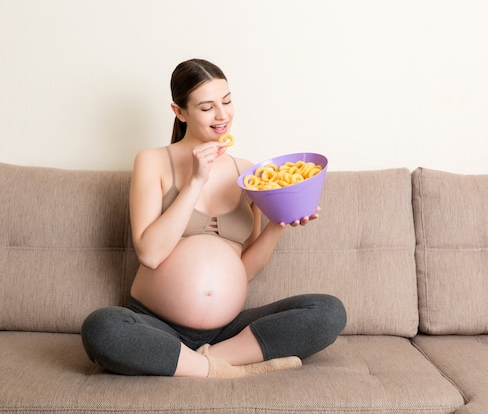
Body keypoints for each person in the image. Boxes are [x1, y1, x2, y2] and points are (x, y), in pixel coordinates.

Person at [81, 59, 346, 378]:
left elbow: (244, 269)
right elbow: (149, 255)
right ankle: (226, 369)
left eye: (227, 101)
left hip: (228, 332)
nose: (222, 115)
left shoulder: (248, 172)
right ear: (180, 112)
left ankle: (200, 362)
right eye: (207, 107)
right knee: (102, 328)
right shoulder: (152, 161)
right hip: (156, 324)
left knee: (328, 312)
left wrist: (278, 223)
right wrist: (195, 181)